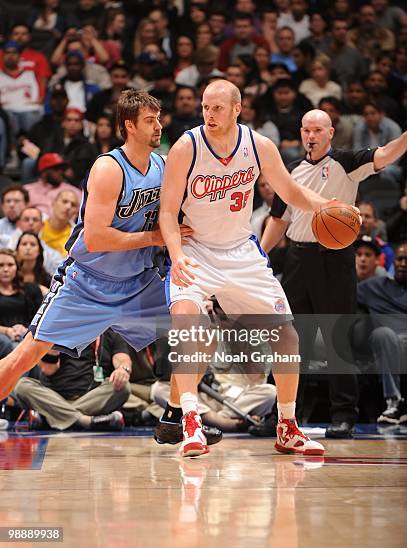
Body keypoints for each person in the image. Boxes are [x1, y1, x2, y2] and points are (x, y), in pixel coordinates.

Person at [158, 79, 334, 457]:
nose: (209, 114)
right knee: (186, 322)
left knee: (287, 336)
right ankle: (191, 423)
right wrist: (176, 255)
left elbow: (289, 192)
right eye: (205, 107)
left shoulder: (258, 145)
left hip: (241, 251)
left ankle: (287, 426)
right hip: (195, 250)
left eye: (217, 108)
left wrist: (325, 206)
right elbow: (168, 212)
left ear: (238, 108)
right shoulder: (187, 146)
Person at [0, 91, 188, 410]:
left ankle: (177, 415)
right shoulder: (109, 168)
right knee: (26, 355)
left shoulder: (162, 165)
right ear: (129, 126)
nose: (158, 126)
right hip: (87, 282)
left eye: (158, 119)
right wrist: (154, 238)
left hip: (136, 283)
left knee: (194, 330)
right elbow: (96, 239)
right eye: (149, 120)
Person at [261, 109, 407, 438]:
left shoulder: (347, 162)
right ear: (300, 133)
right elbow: (279, 220)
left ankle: (344, 416)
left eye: (317, 130)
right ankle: (281, 414)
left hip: (335, 257)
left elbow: (385, 154)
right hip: (298, 258)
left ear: (330, 133)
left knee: (335, 336)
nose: (311, 136)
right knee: (289, 338)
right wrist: (259, 254)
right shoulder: (291, 172)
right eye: (306, 130)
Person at [357, 243, 407, 425]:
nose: (402, 264)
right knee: (382, 333)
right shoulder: (374, 287)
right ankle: (394, 402)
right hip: (389, 342)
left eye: (406, 260)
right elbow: (341, 295)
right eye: (399, 259)